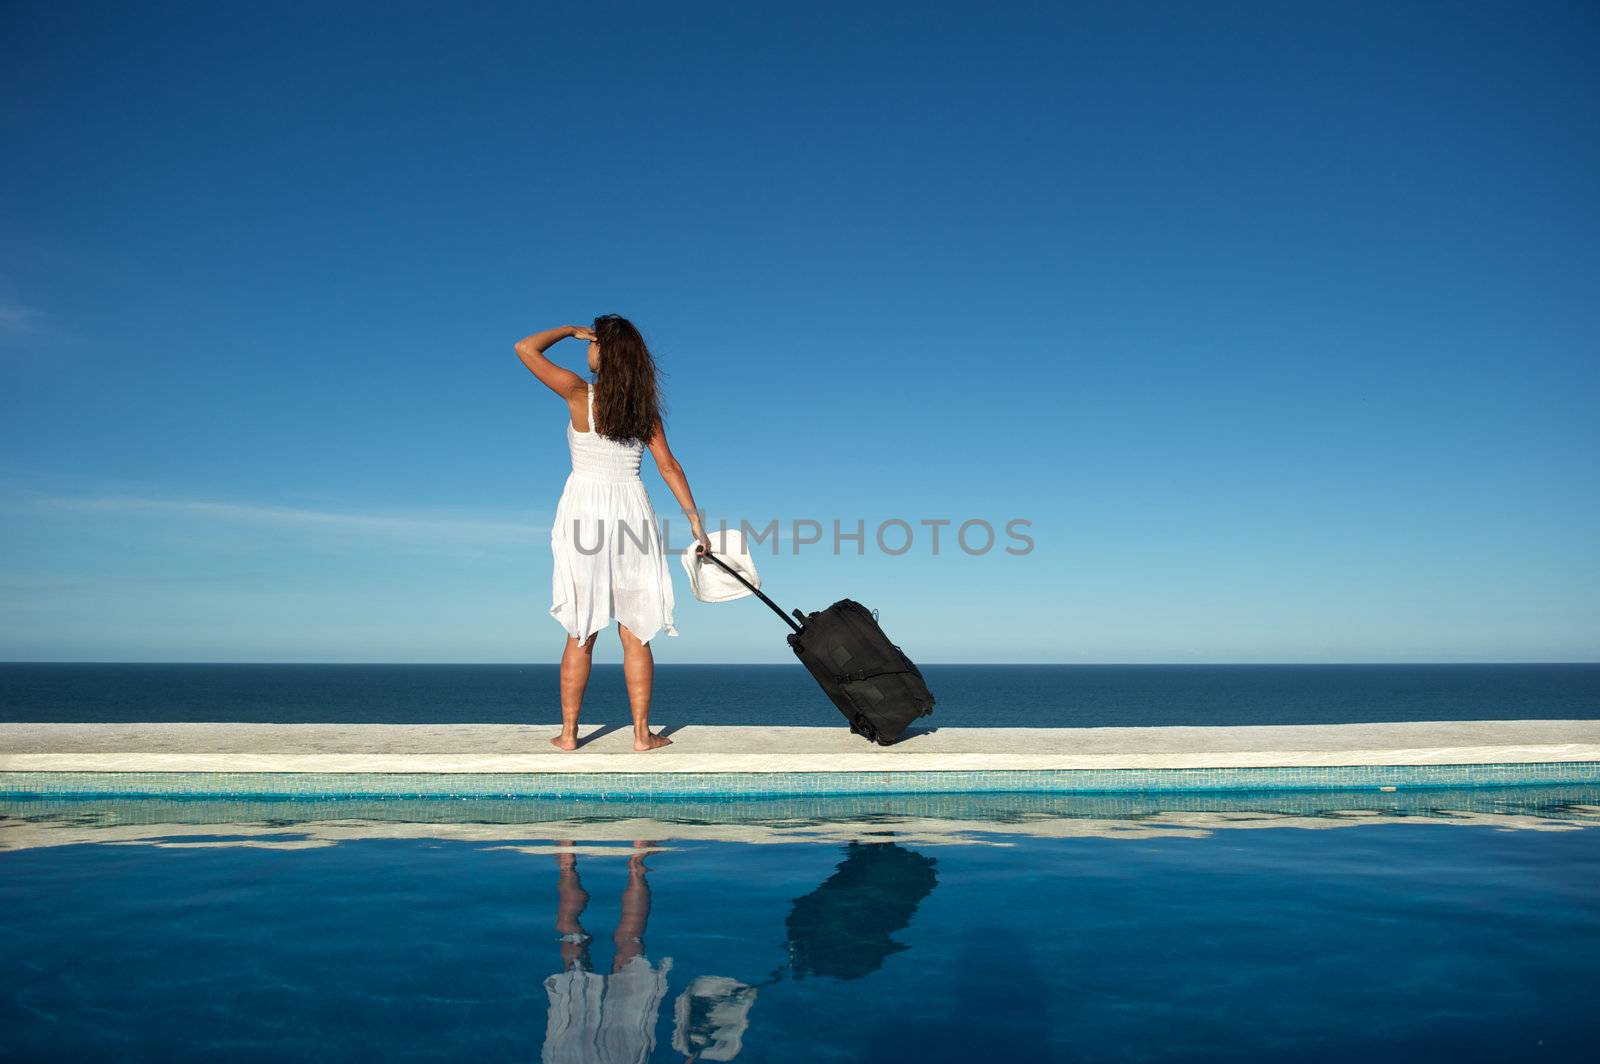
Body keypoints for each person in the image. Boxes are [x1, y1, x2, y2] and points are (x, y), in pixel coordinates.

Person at [515, 316, 709, 752]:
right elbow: (669, 467)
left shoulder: (577, 393)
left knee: (581, 630)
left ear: (602, 351)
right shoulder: (642, 411)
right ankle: (641, 735)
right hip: (630, 514)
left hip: (583, 511)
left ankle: (569, 735)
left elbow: (525, 349)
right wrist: (695, 520)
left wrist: (567, 330)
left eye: (593, 342)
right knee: (635, 629)